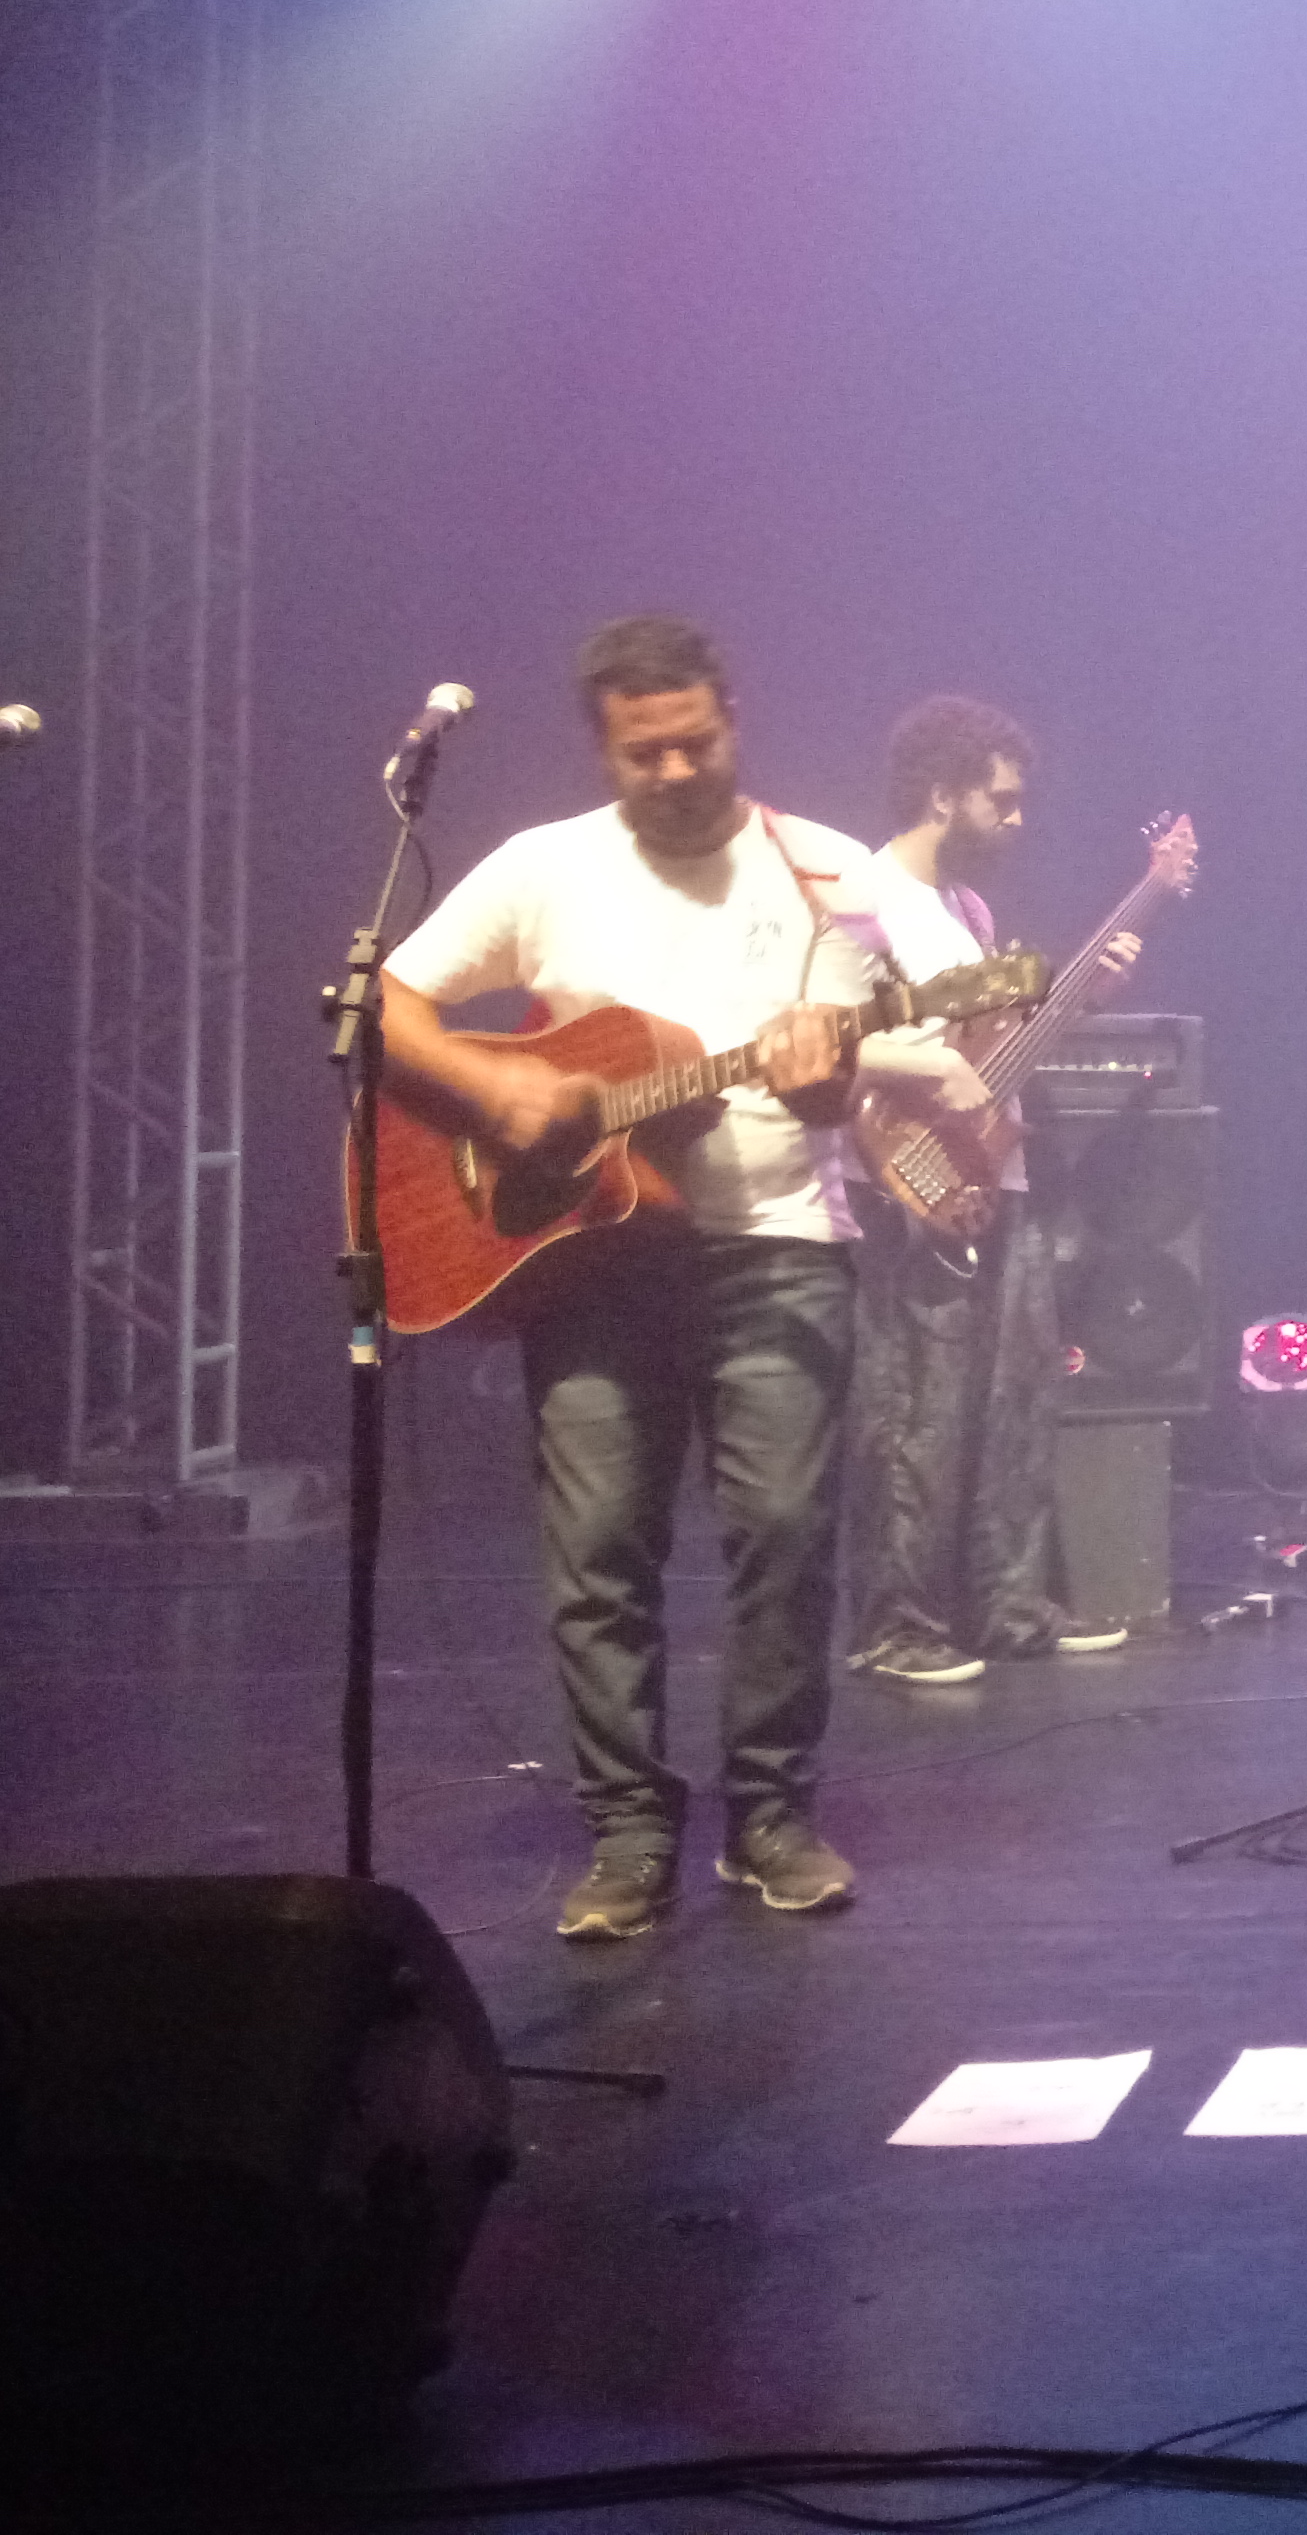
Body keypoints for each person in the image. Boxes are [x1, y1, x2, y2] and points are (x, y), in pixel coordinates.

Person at [384, 615, 958, 1940]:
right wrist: (494, 1090)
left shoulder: (833, 875)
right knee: (598, 1554)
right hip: (592, 1260)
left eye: (696, 741)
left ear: (732, 718)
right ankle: (629, 1833)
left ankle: (772, 1820)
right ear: (605, 748)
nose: (677, 769)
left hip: (779, 1244)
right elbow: (386, 1004)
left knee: (786, 1542)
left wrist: (832, 1077)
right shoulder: (546, 868)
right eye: (646, 753)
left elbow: (909, 1051)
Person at [843, 695, 1143, 1687]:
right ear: (942, 794)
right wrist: (929, 1071)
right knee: (912, 1413)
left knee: (1012, 1396)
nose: (1016, 820)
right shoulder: (865, 896)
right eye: (1000, 801)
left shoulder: (966, 914)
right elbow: (818, 1038)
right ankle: (896, 1624)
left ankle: (1007, 1607)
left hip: (989, 1175)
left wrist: (1082, 1000)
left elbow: (995, 1056)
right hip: (903, 1181)